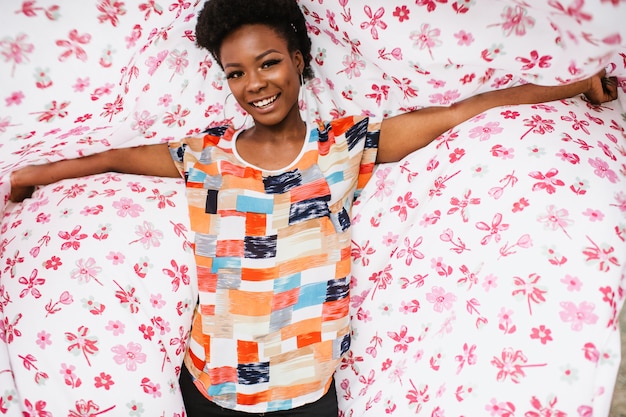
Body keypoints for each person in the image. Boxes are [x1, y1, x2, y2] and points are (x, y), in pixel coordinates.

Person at [8, 0, 618, 415]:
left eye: (269, 63)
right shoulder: (205, 154)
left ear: (299, 61)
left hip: (308, 396)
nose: (255, 84)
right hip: (208, 389)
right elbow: (114, 158)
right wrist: (33, 174)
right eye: (236, 72)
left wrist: (576, 85)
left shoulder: (343, 146)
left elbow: (460, 113)